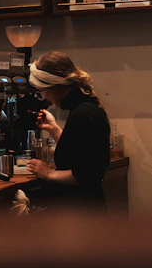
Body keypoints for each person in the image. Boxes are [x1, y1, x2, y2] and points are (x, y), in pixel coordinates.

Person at [26, 51, 110, 211]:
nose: (44, 98)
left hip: (82, 212)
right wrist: (54, 129)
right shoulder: (85, 106)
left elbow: (88, 174)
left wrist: (49, 174)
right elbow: (78, 152)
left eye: (41, 91)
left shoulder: (83, 114)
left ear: (54, 86)